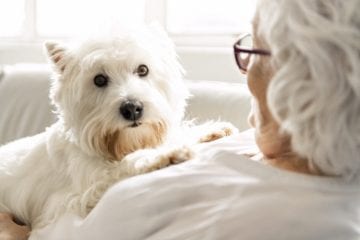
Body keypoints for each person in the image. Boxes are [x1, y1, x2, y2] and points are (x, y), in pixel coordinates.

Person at [1, 0, 360, 239]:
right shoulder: (277, 146)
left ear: (299, 78)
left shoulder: (261, 218)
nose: (245, 68)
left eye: (252, 49)